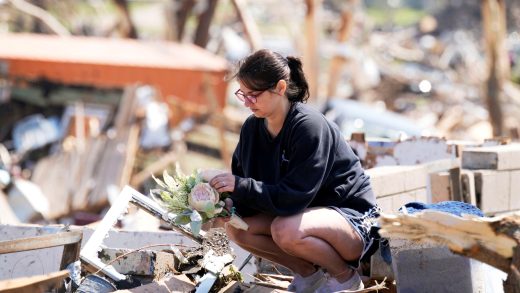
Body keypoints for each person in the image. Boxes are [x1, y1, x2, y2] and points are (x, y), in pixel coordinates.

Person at [208, 49, 380, 293]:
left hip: (350, 220)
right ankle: (310, 275)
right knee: (238, 227)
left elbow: (293, 198)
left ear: (280, 88)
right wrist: (229, 206)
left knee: (284, 230)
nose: (247, 103)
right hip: (299, 215)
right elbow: (248, 184)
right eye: (242, 95)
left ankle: (345, 277)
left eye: (253, 95)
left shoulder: (309, 126)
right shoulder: (252, 129)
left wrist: (240, 186)